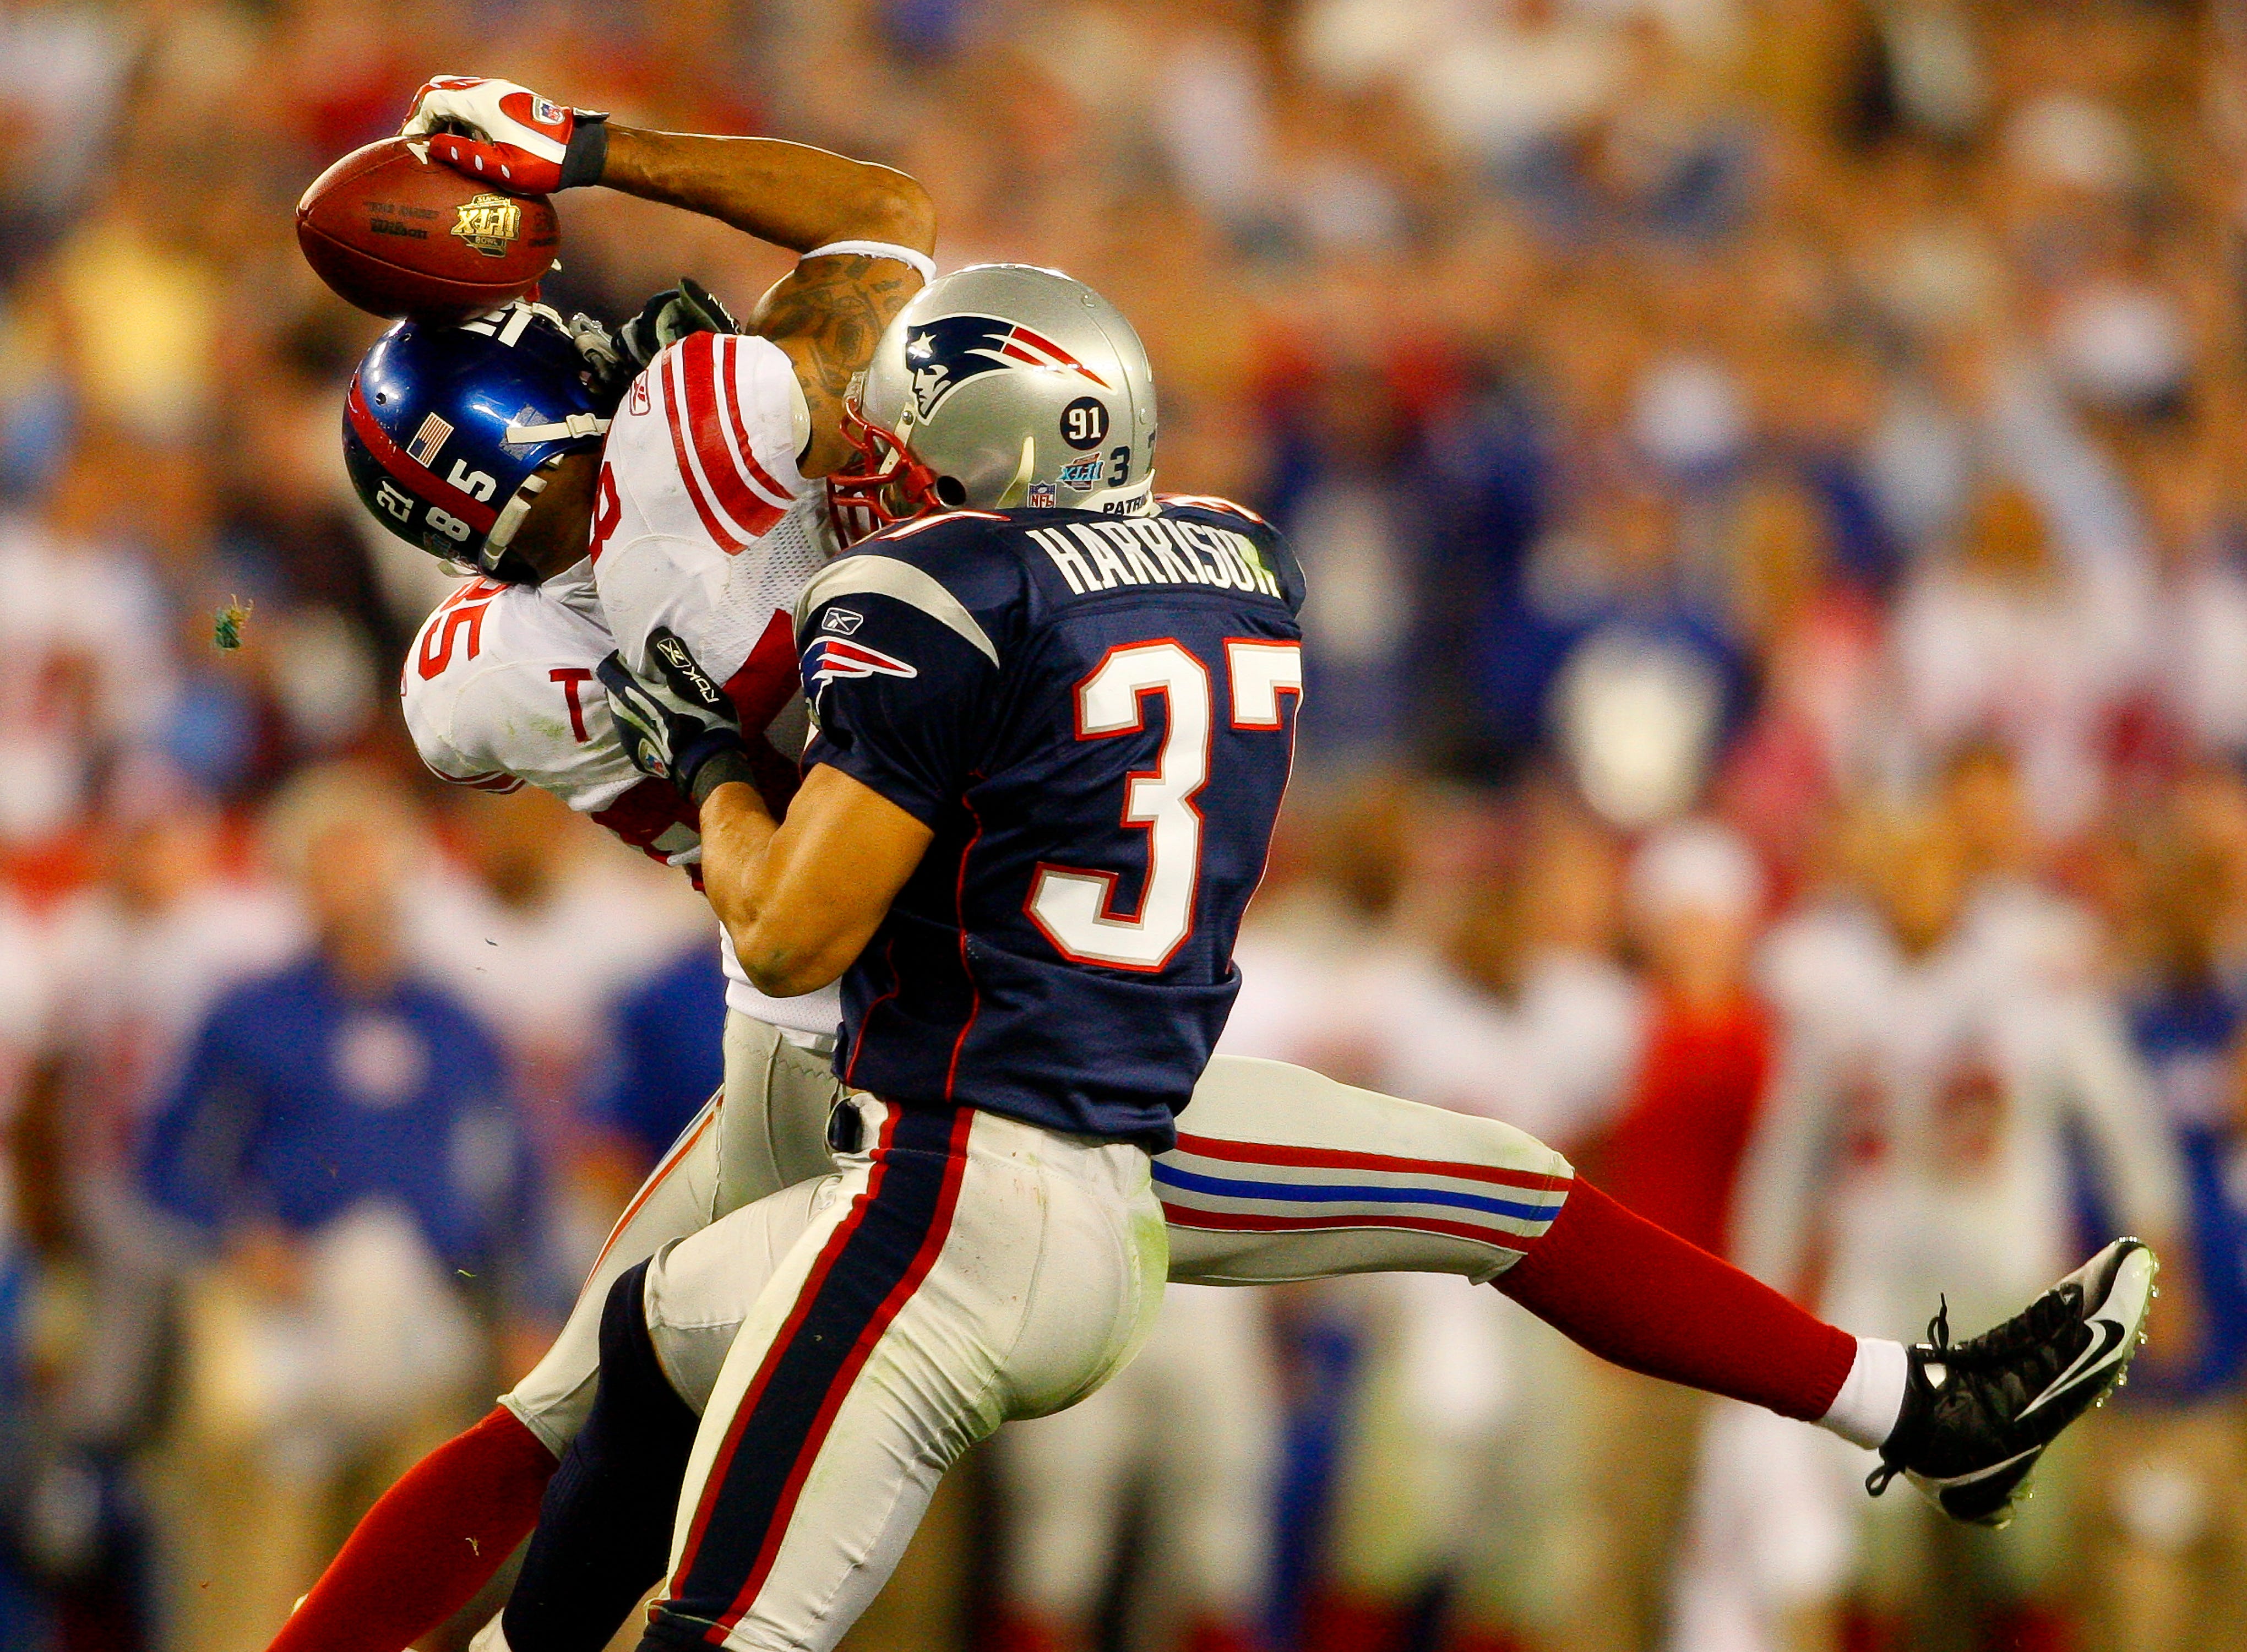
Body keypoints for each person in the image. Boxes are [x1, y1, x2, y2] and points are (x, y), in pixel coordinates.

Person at [294, 75, 2155, 1652]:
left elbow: (682, 647)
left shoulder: (504, 656)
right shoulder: (1023, 522)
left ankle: (1913, 1407)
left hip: (952, 1042)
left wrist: (704, 736)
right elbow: (878, 235)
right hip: (928, 1036)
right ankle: (1909, 1408)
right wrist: (593, 155)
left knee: (602, 1388)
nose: (877, 437)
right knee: (640, 1400)